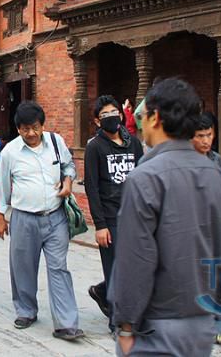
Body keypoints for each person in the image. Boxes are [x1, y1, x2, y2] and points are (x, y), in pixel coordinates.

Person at [110, 77, 221, 357]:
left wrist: (126, 325)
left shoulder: (145, 178)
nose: (141, 124)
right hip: (201, 322)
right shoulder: (218, 177)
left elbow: (135, 260)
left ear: (155, 117)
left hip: (156, 325)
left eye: (142, 116)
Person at [0, 101, 83, 341]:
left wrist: (68, 182)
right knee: (23, 267)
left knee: (59, 268)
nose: (31, 133)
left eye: (35, 127)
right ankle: (26, 311)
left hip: (55, 217)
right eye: (25, 129)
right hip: (24, 219)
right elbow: (2, 186)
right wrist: (0, 217)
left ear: (42, 125)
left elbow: (69, 166)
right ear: (18, 129)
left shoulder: (56, 142)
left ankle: (66, 324)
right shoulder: (10, 152)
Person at [83, 95, 143, 331]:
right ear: (98, 121)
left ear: (121, 114)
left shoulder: (134, 144)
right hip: (110, 218)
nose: (111, 117)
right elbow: (92, 187)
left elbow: (143, 178)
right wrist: (100, 225)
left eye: (114, 112)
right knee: (115, 269)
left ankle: (104, 293)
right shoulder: (94, 147)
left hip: (134, 217)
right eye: (105, 115)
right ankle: (117, 321)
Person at [191, 112, 221, 345]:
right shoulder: (185, 162)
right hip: (192, 229)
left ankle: (220, 321)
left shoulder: (217, 161)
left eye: (209, 135)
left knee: (218, 275)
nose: (205, 140)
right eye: (200, 136)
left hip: (216, 227)